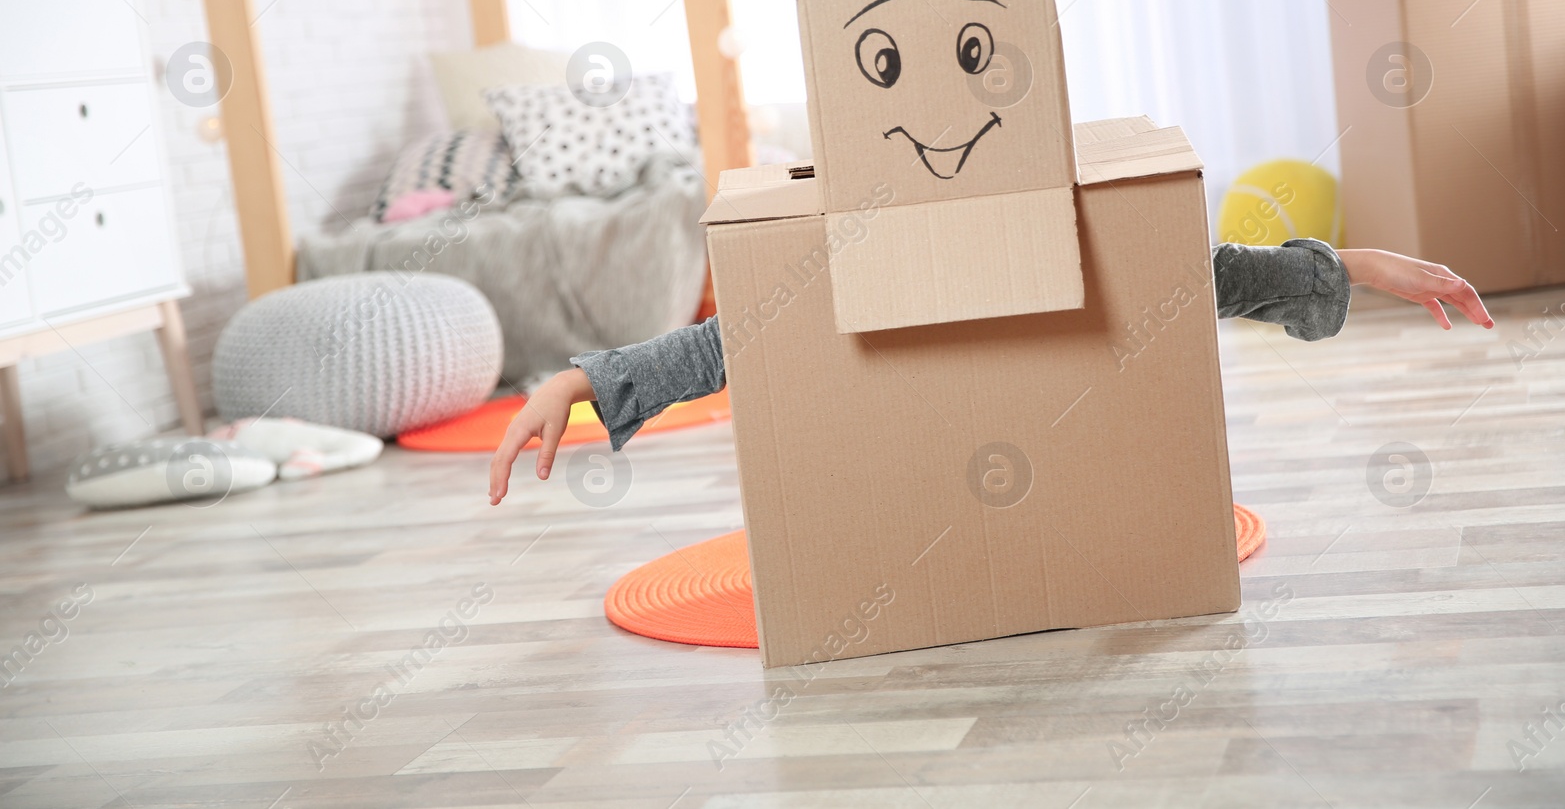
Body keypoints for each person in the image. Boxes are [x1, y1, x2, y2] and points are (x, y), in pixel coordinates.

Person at [488, 241, 1492, 504]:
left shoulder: (1065, 250)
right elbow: (730, 342)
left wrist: (1352, 265)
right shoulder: (860, 277)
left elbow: (1202, 272)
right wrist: (577, 382)